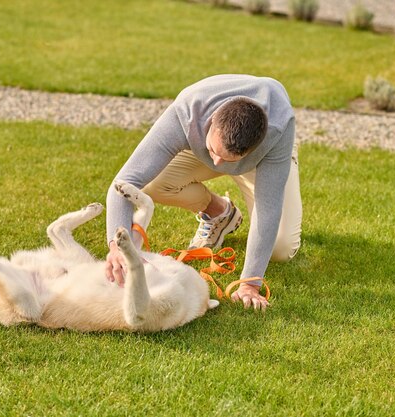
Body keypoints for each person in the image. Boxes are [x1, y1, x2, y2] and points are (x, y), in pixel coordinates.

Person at [105, 74, 302, 310]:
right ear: (213, 121)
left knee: (280, 249)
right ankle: (219, 212)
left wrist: (250, 284)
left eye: (227, 159)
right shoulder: (187, 111)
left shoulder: (278, 130)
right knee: (151, 185)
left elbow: (268, 209)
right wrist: (117, 247)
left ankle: (229, 155)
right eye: (214, 150)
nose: (218, 163)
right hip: (198, 147)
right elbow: (125, 183)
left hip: (259, 164)